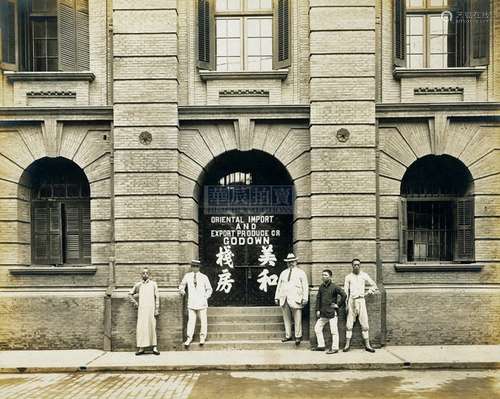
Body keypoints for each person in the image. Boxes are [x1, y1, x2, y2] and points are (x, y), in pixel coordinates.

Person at [343, 258, 378, 353]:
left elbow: (374, 285)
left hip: (361, 300)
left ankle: (368, 345)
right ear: (352, 266)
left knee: (365, 324)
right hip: (352, 301)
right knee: (349, 324)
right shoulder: (348, 277)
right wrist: (346, 304)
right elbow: (346, 291)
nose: (356, 266)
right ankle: (347, 345)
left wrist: (369, 292)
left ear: (360, 265)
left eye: (358, 264)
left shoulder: (364, 275)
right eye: (354, 265)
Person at [275, 253, 309, 345]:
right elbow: (279, 285)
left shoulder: (301, 273)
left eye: (292, 262)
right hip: (284, 298)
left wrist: (305, 298)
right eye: (289, 262)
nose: (291, 263)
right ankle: (288, 335)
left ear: (296, 262)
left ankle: (298, 336)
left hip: (296, 298)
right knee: (286, 318)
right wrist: (277, 297)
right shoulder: (283, 273)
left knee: (297, 318)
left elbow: (305, 286)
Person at [179, 259, 213, 348]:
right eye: (193, 266)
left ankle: (202, 338)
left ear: (199, 267)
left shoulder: (204, 277)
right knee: (191, 321)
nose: (195, 268)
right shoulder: (187, 276)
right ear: (191, 267)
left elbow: (209, 289)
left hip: (202, 303)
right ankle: (189, 338)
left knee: (203, 321)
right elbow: (182, 285)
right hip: (192, 302)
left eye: (196, 267)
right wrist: (182, 290)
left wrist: (205, 297)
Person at [311, 269, 346, 354]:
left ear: (330, 276)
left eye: (326, 275)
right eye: (323, 275)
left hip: (332, 313)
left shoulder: (334, 286)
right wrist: (318, 310)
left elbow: (344, 295)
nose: (324, 276)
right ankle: (321, 346)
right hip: (323, 313)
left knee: (334, 331)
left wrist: (338, 305)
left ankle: (335, 348)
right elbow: (318, 299)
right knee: (317, 328)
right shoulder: (321, 287)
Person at [129, 268, 160, 355]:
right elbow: (130, 294)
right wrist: (135, 303)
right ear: (141, 275)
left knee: (152, 326)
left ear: (149, 275)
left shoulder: (154, 284)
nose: (145, 274)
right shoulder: (138, 285)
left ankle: (154, 348)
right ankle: (141, 348)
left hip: (151, 309)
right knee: (141, 328)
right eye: (143, 273)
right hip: (142, 309)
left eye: (147, 273)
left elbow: (157, 297)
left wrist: (157, 309)